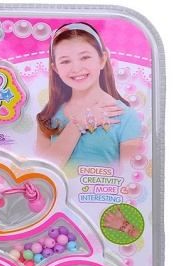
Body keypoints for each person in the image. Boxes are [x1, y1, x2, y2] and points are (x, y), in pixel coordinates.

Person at [36, 23, 143, 167]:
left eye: (85, 57)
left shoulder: (126, 116)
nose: (76, 68)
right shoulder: (48, 117)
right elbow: (42, 171)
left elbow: (129, 174)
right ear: (55, 68)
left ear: (102, 59)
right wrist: (78, 124)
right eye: (65, 61)